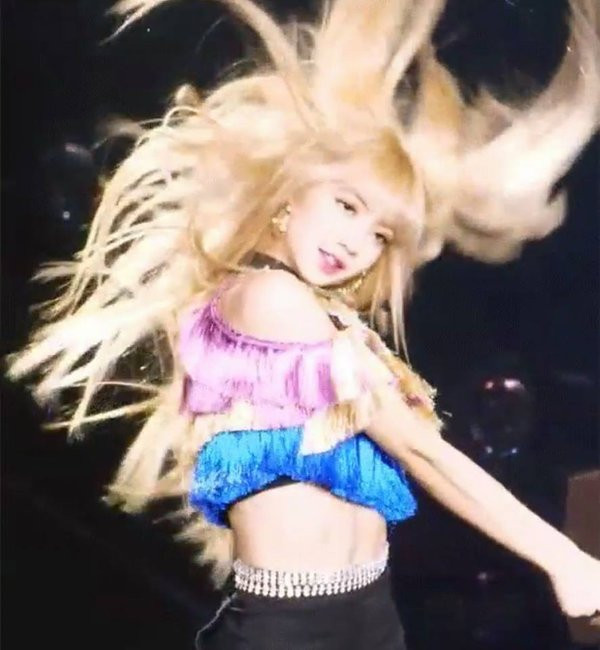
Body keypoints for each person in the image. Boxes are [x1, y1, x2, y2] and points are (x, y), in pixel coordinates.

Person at [8, 0, 600, 648]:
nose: (355, 242)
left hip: (368, 612)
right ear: (293, 193)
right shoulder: (268, 299)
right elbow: (417, 448)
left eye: (380, 234)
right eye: (346, 205)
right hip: (292, 629)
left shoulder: (330, 321)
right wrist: (562, 558)